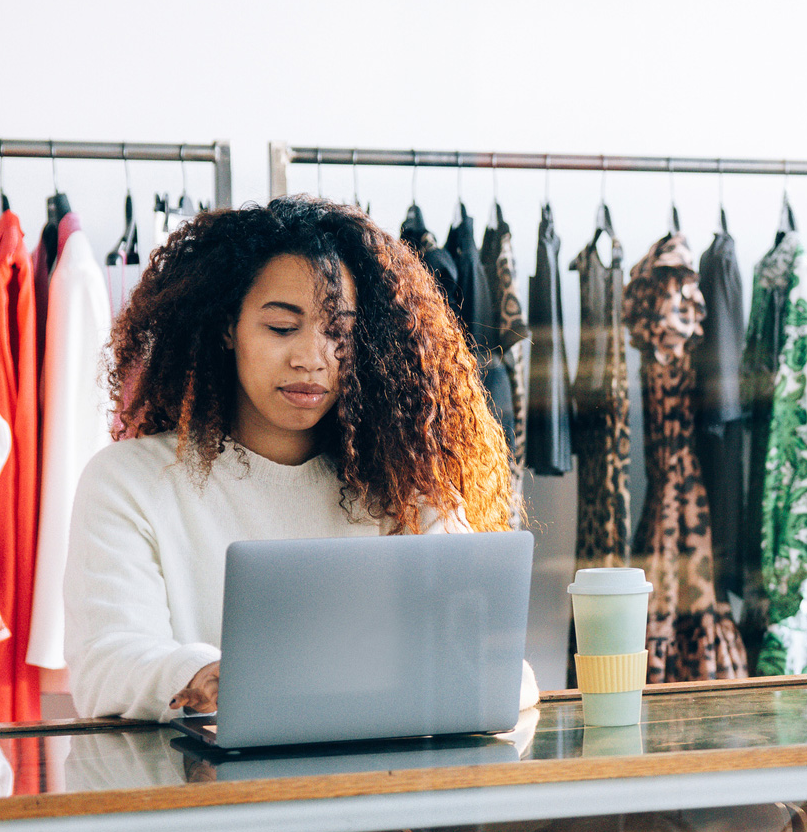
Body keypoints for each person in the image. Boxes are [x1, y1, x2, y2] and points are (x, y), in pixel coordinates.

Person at [64, 197, 537, 722]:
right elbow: (105, 662)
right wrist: (205, 676)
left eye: (339, 333)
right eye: (282, 328)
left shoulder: (403, 486)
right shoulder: (129, 482)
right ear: (227, 328)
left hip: (374, 788)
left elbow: (505, 674)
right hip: (196, 793)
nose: (311, 359)